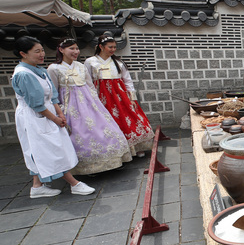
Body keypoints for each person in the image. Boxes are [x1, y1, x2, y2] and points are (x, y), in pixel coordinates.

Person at [11, 36, 95, 198]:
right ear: (23, 53)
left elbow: (52, 96)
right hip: (35, 117)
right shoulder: (24, 74)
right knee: (50, 149)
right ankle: (74, 183)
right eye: (37, 51)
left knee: (41, 149)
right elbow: (37, 104)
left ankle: (37, 186)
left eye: (42, 50)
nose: (42, 54)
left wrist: (60, 113)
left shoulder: (39, 70)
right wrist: (55, 118)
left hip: (48, 114)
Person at [47, 38, 132, 174]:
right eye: (72, 49)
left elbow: (90, 86)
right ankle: (87, 167)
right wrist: (59, 110)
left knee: (104, 128)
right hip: (70, 106)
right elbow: (53, 92)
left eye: (77, 48)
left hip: (89, 102)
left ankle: (110, 160)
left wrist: (96, 103)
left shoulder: (80, 66)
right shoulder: (53, 68)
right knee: (80, 133)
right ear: (61, 50)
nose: (76, 52)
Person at [84, 34, 154, 156]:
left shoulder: (118, 62)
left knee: (128, 119)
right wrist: (91, 99)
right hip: (101, 97)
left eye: (114, 47)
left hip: (120, 96)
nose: (113, 50)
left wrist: (132, 98)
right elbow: (88, 81)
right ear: (101, 46)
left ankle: (136, 147)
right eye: (110, 47)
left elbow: (127, 80)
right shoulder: (90, 62)